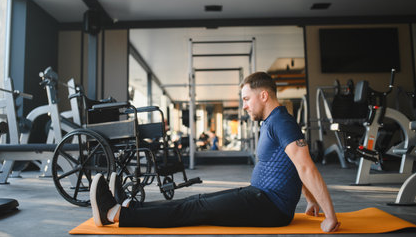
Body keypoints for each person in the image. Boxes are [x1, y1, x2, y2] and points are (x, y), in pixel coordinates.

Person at [90, 72, 341, 232]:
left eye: (246, 99)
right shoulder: (272, 121)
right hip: (260, 196)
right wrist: (310, 200)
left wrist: (330, 216)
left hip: (270, 206)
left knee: (196, 209)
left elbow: (305, 166)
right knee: (194, 202)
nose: (243, 106)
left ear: (264, 95)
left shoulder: (282, 123)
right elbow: (295, 166)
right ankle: (128, 205)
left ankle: (115, 214)